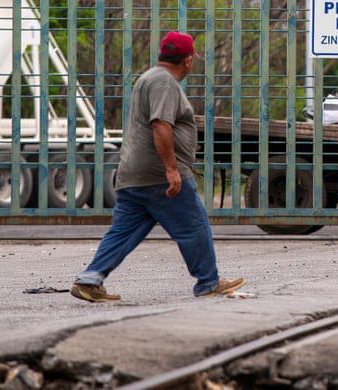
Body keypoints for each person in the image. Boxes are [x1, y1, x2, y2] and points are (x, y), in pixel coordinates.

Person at [71, 31, 244, 302]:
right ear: (187, 60)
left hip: (134, 173)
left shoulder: (149, 77)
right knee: (195, 225)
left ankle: (90, 279)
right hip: (157, 175)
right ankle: (208, 282)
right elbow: (161, 125)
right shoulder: (164, 83)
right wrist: (172, 169)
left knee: (123, 232)